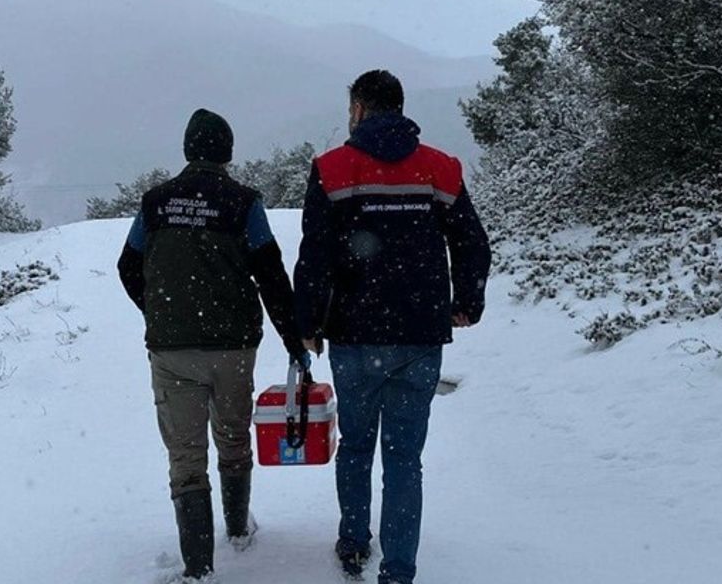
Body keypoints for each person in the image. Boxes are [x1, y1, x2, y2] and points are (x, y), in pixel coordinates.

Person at [293, 70, 492, 584]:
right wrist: (465, 301)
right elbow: (472, 242)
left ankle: (355, 542)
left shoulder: (332, 169)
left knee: (357, 445)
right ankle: (399, 569)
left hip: (355, 335)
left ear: (358, 108)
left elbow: (314, 255)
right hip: (420, 336)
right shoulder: (440, 169)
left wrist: (309, 323)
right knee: (405, 457)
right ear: (399, 110)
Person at [117, 108, 304, 581]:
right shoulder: (243, 203)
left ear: (187, 150)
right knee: (234, 437)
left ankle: (199, 569)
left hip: (172, 350)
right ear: (228, 153)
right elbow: (271, 274)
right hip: (233, 348)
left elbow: (128, 265)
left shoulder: (155, 202)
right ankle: (238, 528)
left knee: (185, 456)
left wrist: (160, 311)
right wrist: (294, 339)